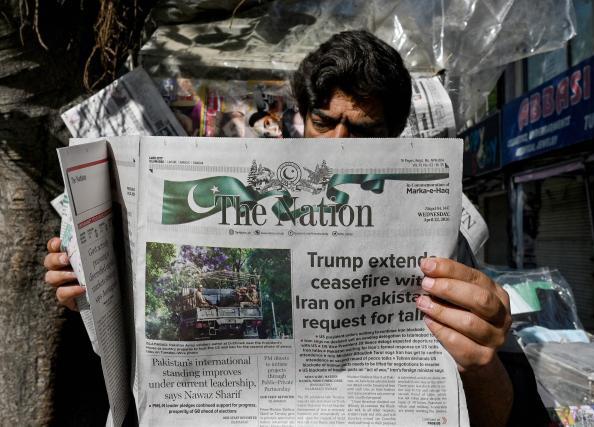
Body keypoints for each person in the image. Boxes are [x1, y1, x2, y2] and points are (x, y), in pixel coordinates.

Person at [43, 30, 548, 426]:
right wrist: (96, 298)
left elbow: (495, 411)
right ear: (303, 118)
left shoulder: (445, 238)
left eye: (365, 131)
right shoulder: (257, 191)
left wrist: (481, 363)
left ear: (397, 135)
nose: (340, 145)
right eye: (326, 123)